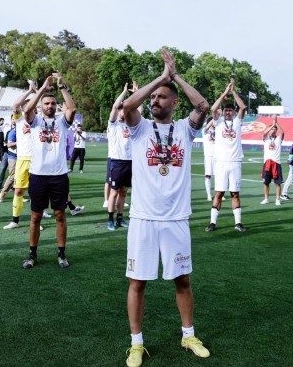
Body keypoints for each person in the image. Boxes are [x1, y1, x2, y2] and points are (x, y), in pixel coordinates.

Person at [122, 49, 210, 367]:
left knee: (183, 280)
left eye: (162, 96)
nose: (155, 100)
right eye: (154, 96)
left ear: (174, 102)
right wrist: (160, 77)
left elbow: (203, 106)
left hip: (176, 218)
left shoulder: (186, 129)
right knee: (138, 282)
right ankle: (136, 344)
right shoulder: (140, 128)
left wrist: (176, 78)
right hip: (143, 217)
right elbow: (128, 105)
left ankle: (188, 335)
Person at [21, 73, 75, 269]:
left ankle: (61, 254)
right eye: (47, 104)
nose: (50, 106)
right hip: (38, 176)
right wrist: (42, 89)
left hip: (59, 176)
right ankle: (32, 254)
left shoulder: (62, 122)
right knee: (35, 216)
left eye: (53, 104)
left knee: (60, 215)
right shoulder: (35, 121)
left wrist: (62, 87)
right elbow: (27, 110)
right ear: (41, 107)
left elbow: (73, 108)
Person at [206, 78, 247, 233]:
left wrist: (233, 91)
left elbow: (243, 106)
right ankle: (212, 222)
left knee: (235, 193)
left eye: (230, 110)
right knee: (219, 192)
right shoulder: (218, 122)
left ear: (233, 112)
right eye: (226, 110)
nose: (228, 112)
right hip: (221, 162)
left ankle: (238, 223)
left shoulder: (237, 122)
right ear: (223, 112)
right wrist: (224, 92)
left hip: (235, 161)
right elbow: (212, 108)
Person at [3, 81, 36, 229]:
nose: (28, 108)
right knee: (19, 190)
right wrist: (30, 91)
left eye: (31, 107)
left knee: (36, 191)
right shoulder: (20, 119)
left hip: (38, 160)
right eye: (26, 106)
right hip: (22, 158)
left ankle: (36, 221)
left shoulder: (40, 120)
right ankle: (15, 221)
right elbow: (15, 105)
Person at [106, 83, 135, 231]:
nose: (124, 113)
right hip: (117, 161)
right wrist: (124, 92)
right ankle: (110, 219)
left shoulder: (131, 125)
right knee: (114, 192)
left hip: (129, 162)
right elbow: (114, 106)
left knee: (124, 192)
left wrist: (136, 94)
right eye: (122, 110)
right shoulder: (113, 125)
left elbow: (138, 110)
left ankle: (120, 218)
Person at [260, 117, 284, 206]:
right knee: (266, 182)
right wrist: (271, 126)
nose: (273, 130)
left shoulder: (278, 139)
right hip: (267, 163)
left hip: (276, 163)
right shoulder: (266, 139)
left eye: (274, 129)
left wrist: (276, 124)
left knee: (277, 183)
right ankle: (266, 198)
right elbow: (264, 133)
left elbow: (282, 132)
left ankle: (278, 199)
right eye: (271, 129)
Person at [202, 116, 216, 201]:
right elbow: (207, 128)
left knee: (218, 176)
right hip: (208, 155)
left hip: (217, 156)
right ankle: (209, 195)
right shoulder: (205, 131)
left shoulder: (218, 130)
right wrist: (214, 118)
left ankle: (218, 193)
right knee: (208, 175)